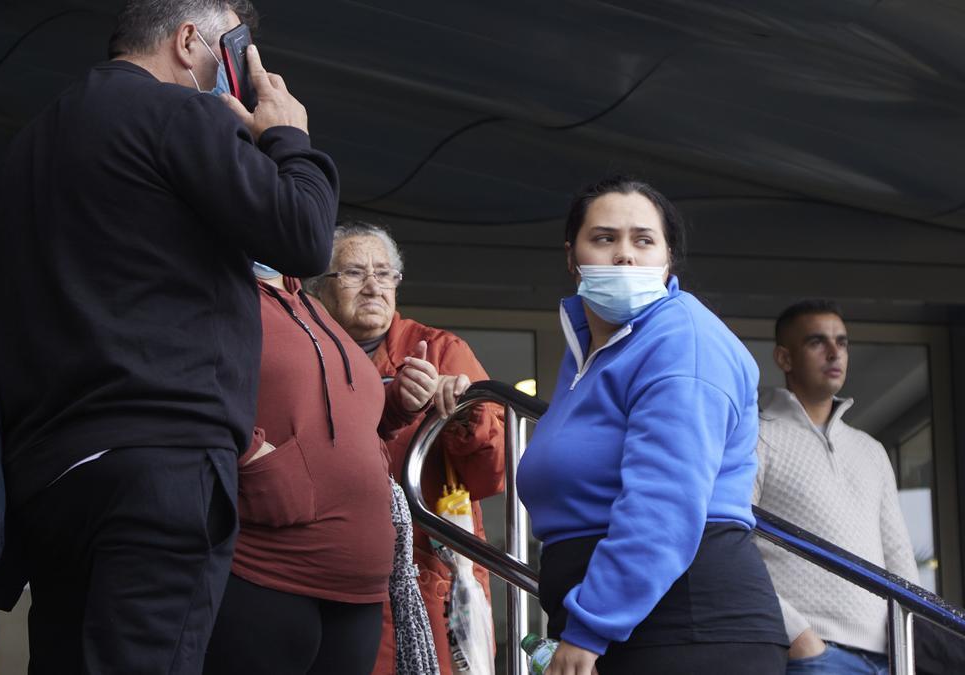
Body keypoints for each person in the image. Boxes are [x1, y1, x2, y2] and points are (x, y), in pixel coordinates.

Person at [0, 0, 340, 670]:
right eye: (231, 52)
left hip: (49, 480)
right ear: (190, 42)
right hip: (162, 464)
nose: (236, 77)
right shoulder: (178, 114)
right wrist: (286, 137)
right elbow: (304, 236)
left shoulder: (21, 155)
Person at [516, 176, 789, 675]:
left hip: (688, 630)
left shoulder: (682, 339)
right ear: (571, 257)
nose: (624, 255)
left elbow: (665, 500)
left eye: (643, 240)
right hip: (626, 627)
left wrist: (590, 626)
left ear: (668, 259)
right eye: (604, 238)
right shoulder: (594, 349)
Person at [203, 263, 437, 674]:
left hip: (357, 587)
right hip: (270, 567)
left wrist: (399, 402)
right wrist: (250, 455)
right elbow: (183, 382)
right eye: (352, 271)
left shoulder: (310, 306)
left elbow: (336, 420)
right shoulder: (214, 288)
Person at [309, 221, 505, 675]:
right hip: (329, 569)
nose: (374, 286)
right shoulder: (307, 352)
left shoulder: (441, 351)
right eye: (354, 273)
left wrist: (465, 415)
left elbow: (491, 477)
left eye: (385, 273)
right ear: (318, 288)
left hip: (428, 576)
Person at [754, 300, 920, 673]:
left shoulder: (871, 449)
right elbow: (733, 543)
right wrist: (800, 638)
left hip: (891, 656)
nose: (834, 353)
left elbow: (901, 561)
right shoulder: (756, 436)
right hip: (813, 654)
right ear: (784, 358)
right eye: (817, 342)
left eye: (842, 342)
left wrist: (911, 648)